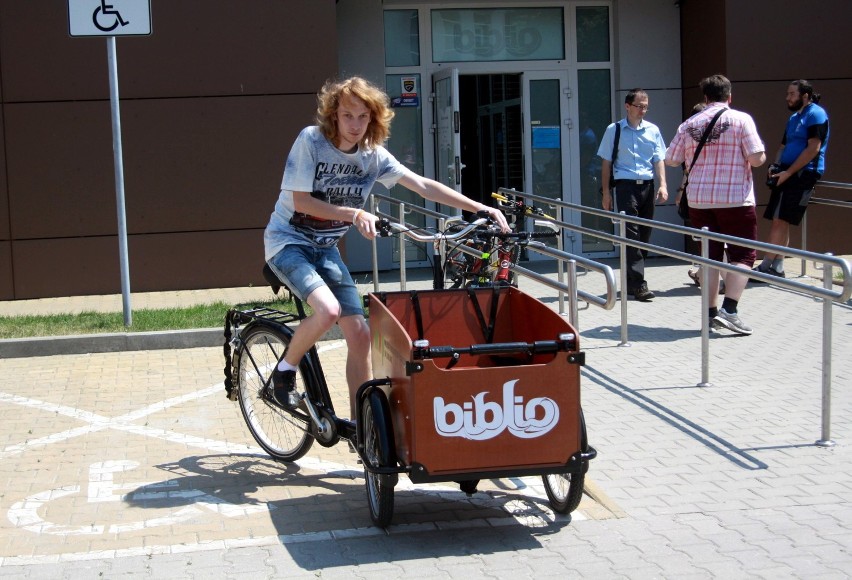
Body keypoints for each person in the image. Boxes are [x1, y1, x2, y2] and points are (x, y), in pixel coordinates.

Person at [263, 76, 510, 418]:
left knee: (361, 336)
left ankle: (358, 423)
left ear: (373, 118)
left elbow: (422, 185)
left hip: (326, 249)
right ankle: (284, 373)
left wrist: (479, 207)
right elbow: (302, 202)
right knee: (329, 312)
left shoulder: (373, 155)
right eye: (347, 115)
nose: (354, 124)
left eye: (362, 117)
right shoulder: (312, 141)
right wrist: (354, 213)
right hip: (287, 242)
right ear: (334, 115)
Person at [665, 74, 766, 335]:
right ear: (729, 96)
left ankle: (710, 315)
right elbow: (756, 159)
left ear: (705, 97)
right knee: (743, 255)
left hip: (699, 200)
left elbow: (671, 159)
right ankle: (729, 310)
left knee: (708, 257)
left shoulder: (688, 124)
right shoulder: (742, 120)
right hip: (735, 198)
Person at [597, 88, 669, 301]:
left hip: (647, 185)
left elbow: (659, 159)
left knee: (644, 234)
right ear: (628, 106)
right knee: (631, 234)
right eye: (639, 106)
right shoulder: (614, 130)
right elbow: (606, 163)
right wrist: (606, 193)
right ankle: (639, 284)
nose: (642, 111)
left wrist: (663, 184)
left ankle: (631, 282)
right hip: (625, 186)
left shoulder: (653, 130)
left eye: (646, 106)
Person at [753, 79, 829, 279]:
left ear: (805, 96)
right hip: (786, 171)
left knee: (780, 219)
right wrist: (776, 166)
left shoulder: (816, 114)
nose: (788, 98)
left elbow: (813, 148)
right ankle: (777, 266)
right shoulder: (794, 118)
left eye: (792, 94)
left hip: (803, 173)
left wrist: (789, 172)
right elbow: (783, 146)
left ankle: (766, 266)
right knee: (781, 219)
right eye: (788, 94)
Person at [678, 102, 726, 295]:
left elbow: (684, 168)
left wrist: (681, 190)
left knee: (708, 241)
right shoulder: (717, 138)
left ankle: (705, 275)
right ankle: (705, 275)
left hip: (699, 196)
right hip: (716, 196)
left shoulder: (690, 136)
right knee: (712, 241)